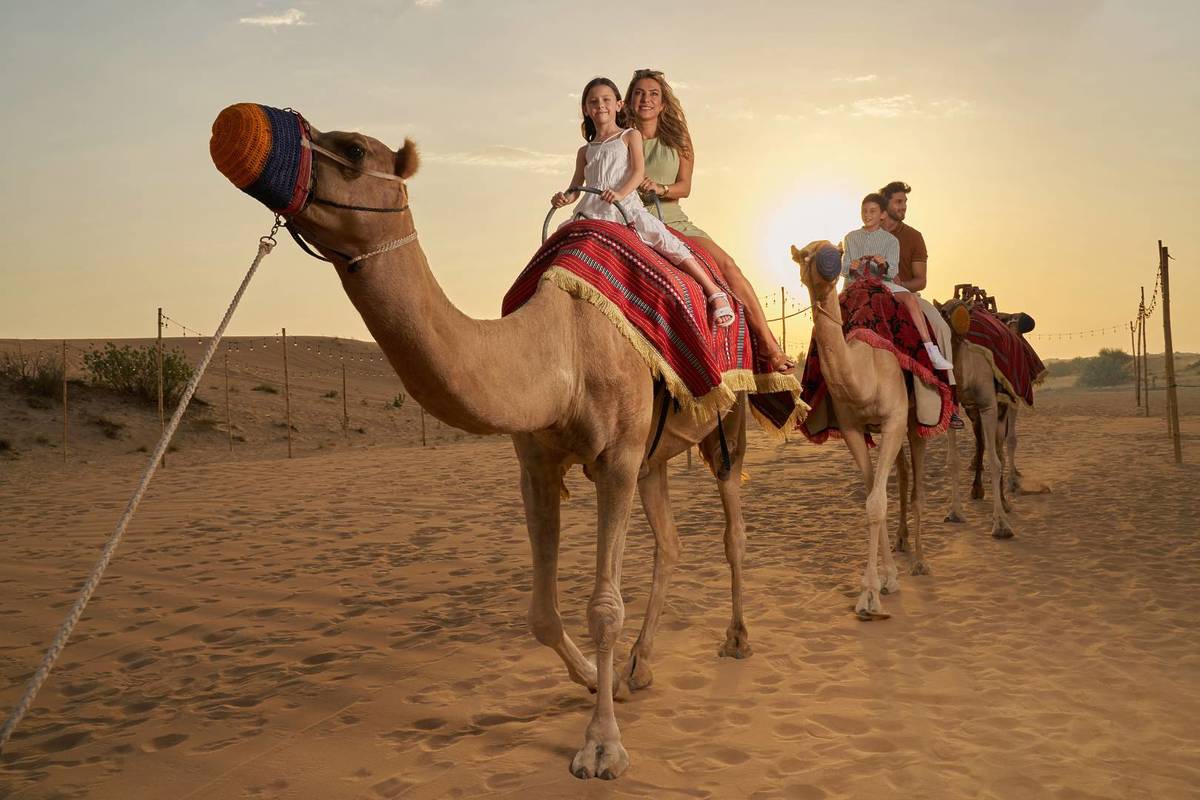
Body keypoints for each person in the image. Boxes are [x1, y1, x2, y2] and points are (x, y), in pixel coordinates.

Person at [625, 68, 795, 372]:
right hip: (631, 219)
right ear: (629, 100)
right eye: (639, 93)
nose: (646, 99)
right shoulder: (621, 139)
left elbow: (684, 187)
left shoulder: (678, 139)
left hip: (673, 220)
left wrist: (660, 188)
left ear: (663, 104)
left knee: (728, 265)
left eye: (653, 94)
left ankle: (769, 347)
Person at [552, 77, 734, 327]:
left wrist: (619, 193)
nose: (600, 105)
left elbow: (637, 172)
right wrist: (565, 197)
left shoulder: (629, 136)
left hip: (624, 208)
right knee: (558, 244)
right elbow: (576, 187)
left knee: (666, 241)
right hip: (592, 211)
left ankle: (713, 291)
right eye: (593, 102)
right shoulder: (585, 151)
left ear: (618, 105)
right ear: (585, 109)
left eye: (606, 100)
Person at [878, 180, 964, 428]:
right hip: (873, 297)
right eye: (899, 202)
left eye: (905, 202)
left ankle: (950, 405)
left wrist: (900, 282)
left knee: (942, 329)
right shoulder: (870, 235)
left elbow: (921, 281)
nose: (904, 207)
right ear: (886, 204)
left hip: (907, 297)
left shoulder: (914, 237)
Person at [841, 194, 955, 371]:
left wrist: (883, 265)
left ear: (882, 215)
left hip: (882, 283)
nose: (867, 215)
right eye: (864, 211)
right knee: (831, 308)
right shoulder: (850, 237)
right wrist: (851, 265)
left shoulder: (891, 241)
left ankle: (932, 352)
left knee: (909, 298)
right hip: (856, 283)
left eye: (872, 211)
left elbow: (893, 271)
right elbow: (844, 269)